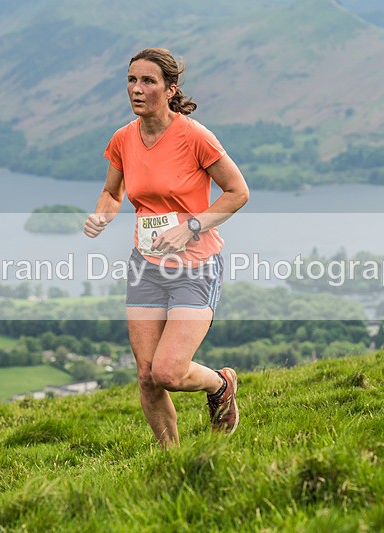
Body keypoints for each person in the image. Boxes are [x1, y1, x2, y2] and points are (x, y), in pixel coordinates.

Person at [84, 48, 250, 447]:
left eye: (147, 81)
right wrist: (102, 215)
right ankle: (170, 460)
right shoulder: (124, 139)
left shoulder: (195, 136)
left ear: (170, 89)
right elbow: (112, 192)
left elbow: (237, 192)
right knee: (146, 374)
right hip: (146, 267)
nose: (136, 89)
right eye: (131, 80)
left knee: (169, 372)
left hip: (195, 266)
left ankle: (220, 384)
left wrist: (192, 225)